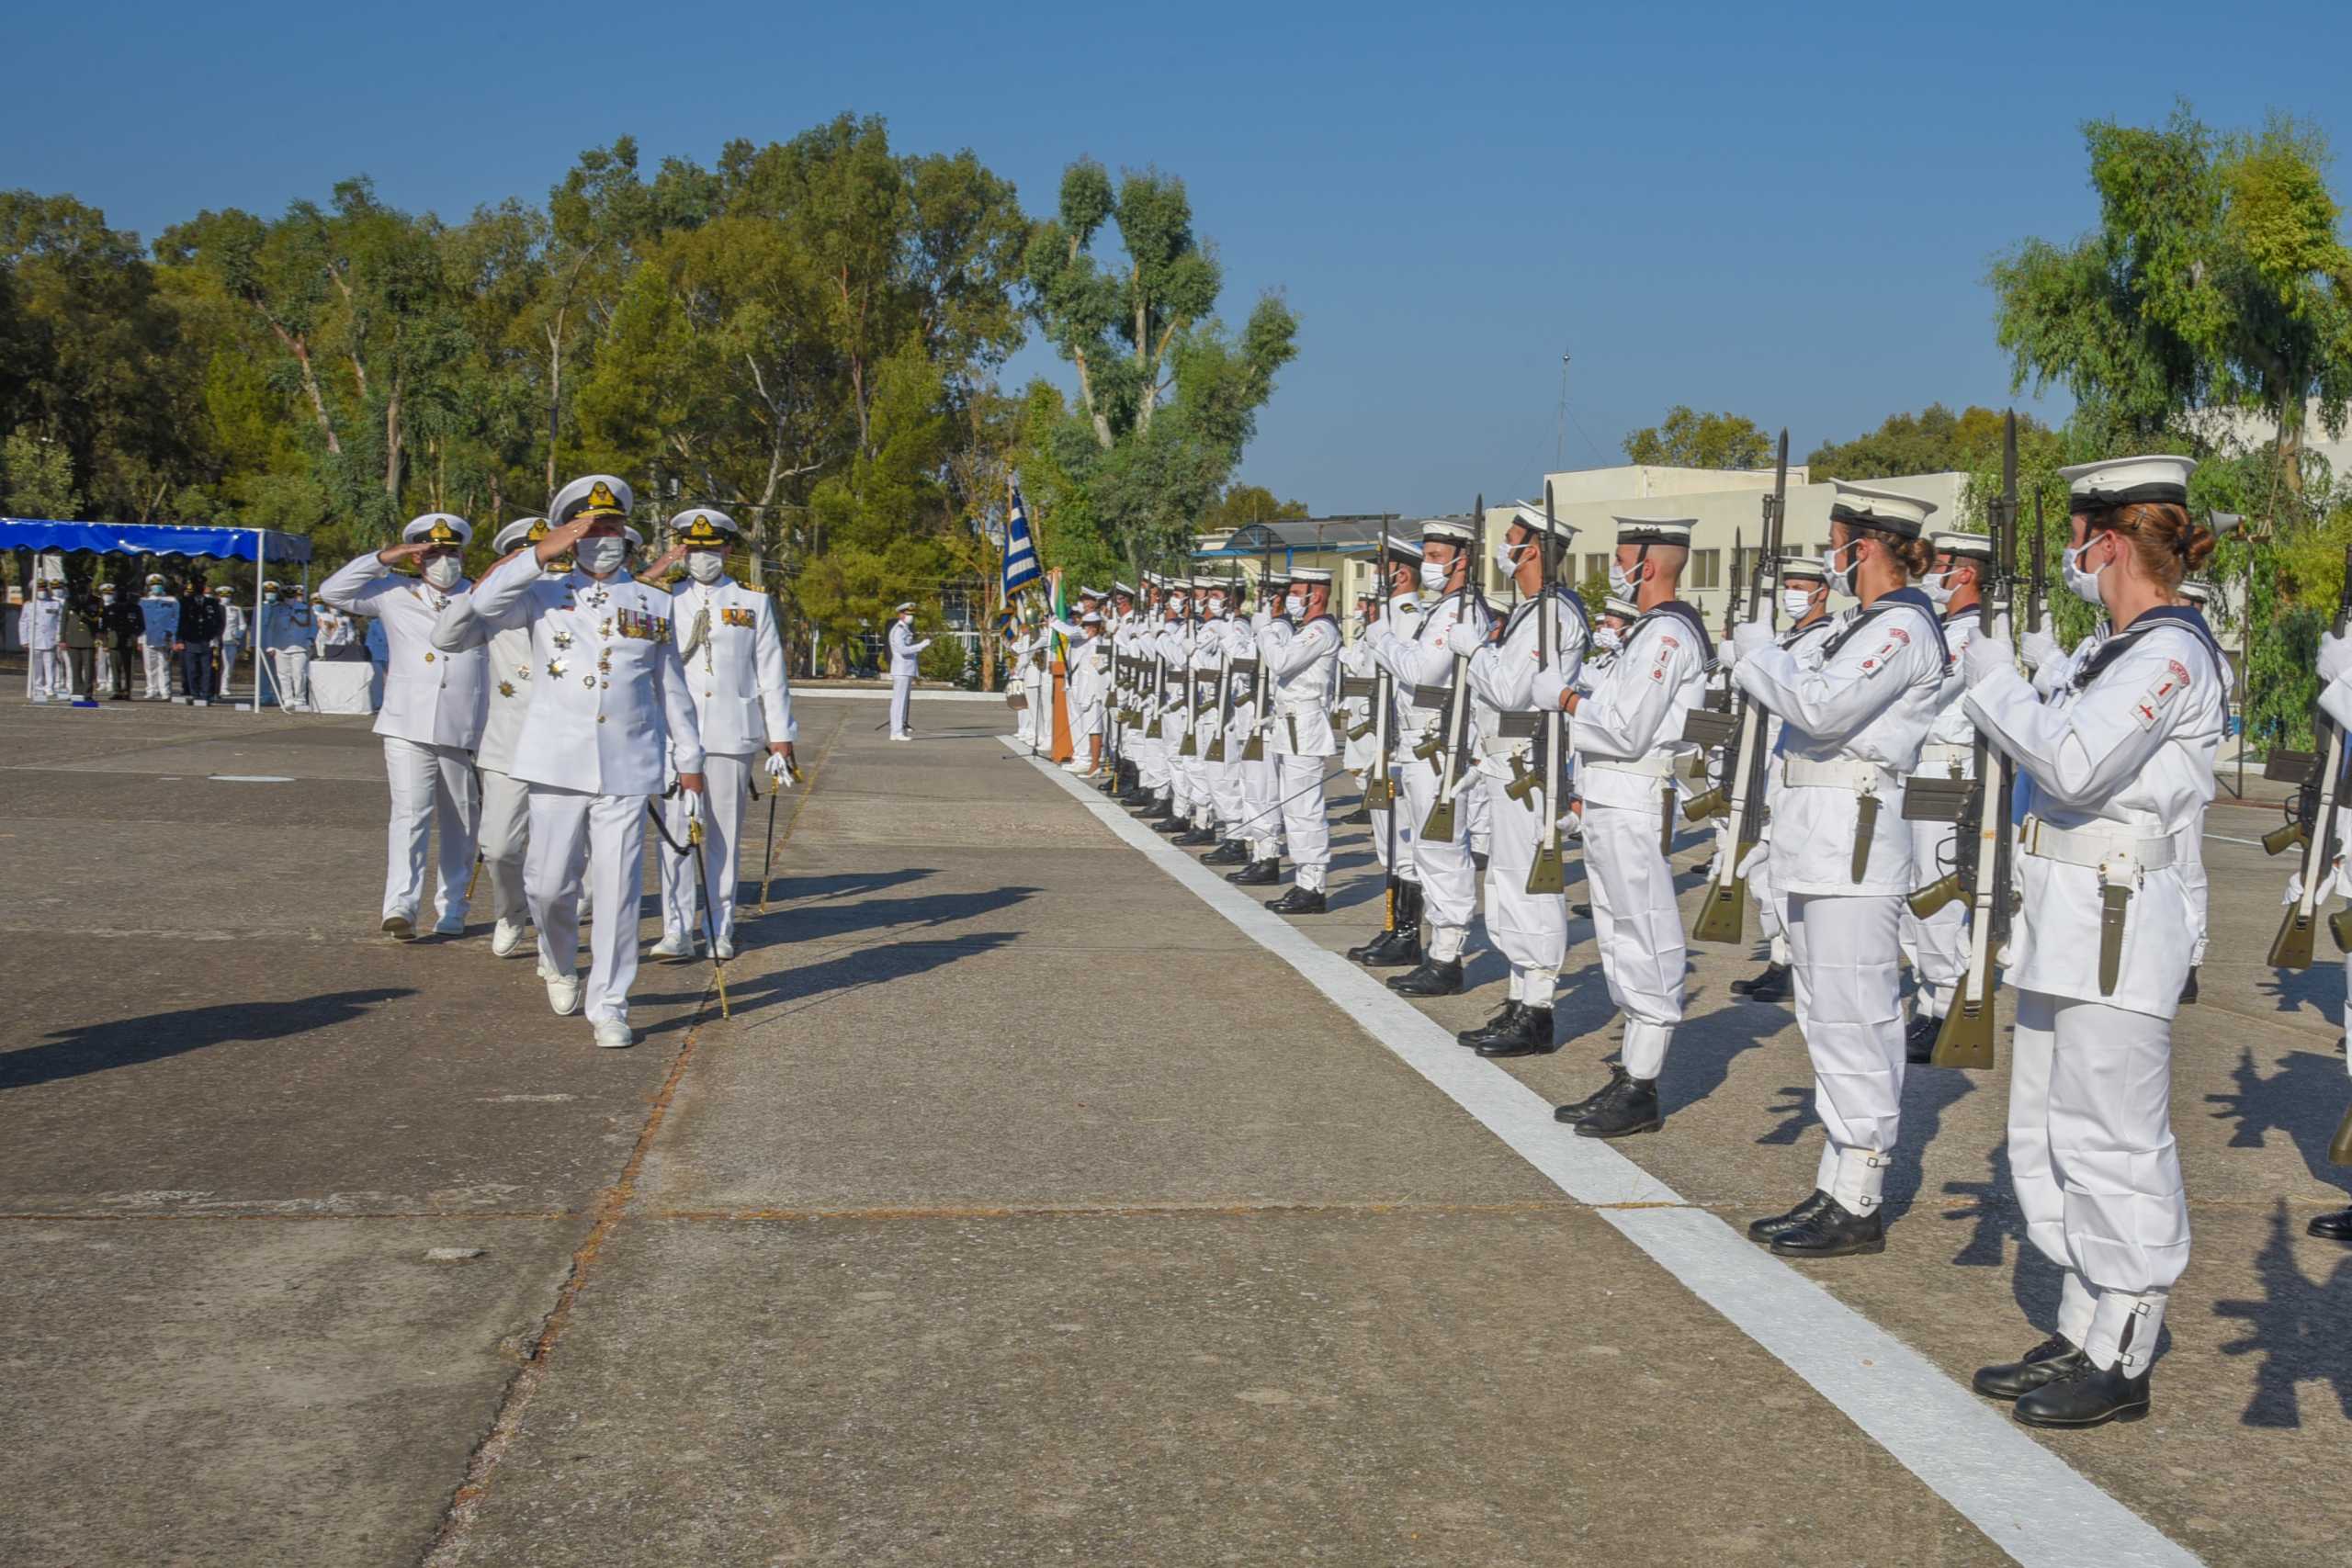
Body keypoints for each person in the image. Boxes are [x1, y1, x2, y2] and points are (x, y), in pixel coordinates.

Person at [1960, 455, 2218, 1427]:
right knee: (2048, 1134)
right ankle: (2082, 1323)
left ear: (2105, 540)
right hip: (2065, 910)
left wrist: (1995, 684)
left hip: (2117, 912)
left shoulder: (2169, 653)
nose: (2069, 554)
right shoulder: (2113, 650)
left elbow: (2072, 762)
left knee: (2115, 1137)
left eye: (2076, 536)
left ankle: (2124, 1350)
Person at [1732, 480, 1949, 1258]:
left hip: (1854, 847)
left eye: (1837, 540)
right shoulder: (1862, 627)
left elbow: (1821, 710)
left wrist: (1758, 654)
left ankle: (1859, 1196)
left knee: (1857, 1018)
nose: (1829, 555)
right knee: (1824, 1017)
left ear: (1865, 545)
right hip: (1816, 841)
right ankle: (1836, 1181)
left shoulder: (1902, 629)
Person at [465, 475, 704, 1049]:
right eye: (592, 527)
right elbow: (477, 608)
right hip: (555, 763)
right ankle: (556, 954)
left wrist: (689, 758)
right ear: (571, 535)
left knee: (618, 889)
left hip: (627, 763)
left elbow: (671, 688)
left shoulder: (655, 602)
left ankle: (611, 1002)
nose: (605, 537)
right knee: (548, 887)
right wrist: (535, 555)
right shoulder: (541, 593)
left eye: (614, 525)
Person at [1540, 518, 1708, 1127]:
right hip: (1609, 794)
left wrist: (1563, 699)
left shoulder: (1667, 636)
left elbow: (1626, 728)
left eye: (1620, 557)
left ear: (1648, 562)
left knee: (1644, 932)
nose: (1613, 568)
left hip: (1635, 795)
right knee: (1616, 932)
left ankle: (1643, 1084)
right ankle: (1631, 1073)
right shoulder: (1643, 634)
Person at [1454, 503, 1589, 1057]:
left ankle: (1536, 1010)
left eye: (1511, 540)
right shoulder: (1531, 610)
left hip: (1530, 768)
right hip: (1505, 764)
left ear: (1533, 548)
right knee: (1507, 885)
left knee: (1532, 888)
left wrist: (1477, 651)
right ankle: (1518, 997)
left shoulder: (1554, 614)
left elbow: (1512, 691)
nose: (1504, 549)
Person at [322, 514, 489, 941]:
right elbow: (332, 591)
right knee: (410, 815)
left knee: (462, 822)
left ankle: (453, 907)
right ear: (417, 558)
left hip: (464, 723)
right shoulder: (392, 591)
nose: (444, 560)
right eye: (434, 553)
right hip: (406, 722)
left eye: (452, 552)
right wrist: (384, 557)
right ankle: (401, 906)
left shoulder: (481, 594)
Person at [643, 508, 797, 962]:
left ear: (728, 549)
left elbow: (770, 671)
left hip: (732, 732)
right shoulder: (663, 597)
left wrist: (780, 735)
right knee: (675, 835)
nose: (702, 557)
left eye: (711, 549)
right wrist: (657, 570)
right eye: (693, 549)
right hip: (674, 736)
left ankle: (719, 925)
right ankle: (676, 927)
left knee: (723, 835)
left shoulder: (753, 601)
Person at [1369, 519, 1491, 995]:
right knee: (1427, 850)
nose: (1429, 564)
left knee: (1443, 853)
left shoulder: (1461, 611)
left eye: (1438, 556)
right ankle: (1437, 948)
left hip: (1440, 749)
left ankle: (1447, 956)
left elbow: (1423, 671)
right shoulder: (1441, 609)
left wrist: (1383, 641)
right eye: (1427, 555)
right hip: (1421, 746)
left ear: (1462, 559)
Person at [433, 517, 552, 958]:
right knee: (499, 847)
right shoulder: (496, 611)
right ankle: (511, 910)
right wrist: (481, 585)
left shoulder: (573, 605)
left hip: (567, 749)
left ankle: (554, 934)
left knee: (565, 855)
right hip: (509, 745)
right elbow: (444, 637)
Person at [1731, 556, 1845, 1003]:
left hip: (1791, 759)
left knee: (1783, 866)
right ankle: (1779, 955)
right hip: (1765, 757)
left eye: (1801, 585)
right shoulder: (1783, 637)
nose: (1792, 593)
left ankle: (1795, 961)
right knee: (1762, 870)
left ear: (1823, 591)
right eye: (1788, 585)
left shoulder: (1826, 639)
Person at [1900, 531, 1992, 1063]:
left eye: (1941, 565)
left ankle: (1944, 1006)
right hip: (1924, 767)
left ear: (1966, 573)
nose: (1930, 572)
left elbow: (1929, 690)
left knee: (1936, 894)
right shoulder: (1945, 627)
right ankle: (1929, 1000)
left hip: (1948, 769)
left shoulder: (1974, 632)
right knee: (1915, 894)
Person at [1344, 537, 1429, 966]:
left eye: (1382, 567)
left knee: (1406, 844)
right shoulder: (1385, 618)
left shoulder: (1411, 619)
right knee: (1389, 844)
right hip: (1377, 745)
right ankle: (1394, 925)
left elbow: (1411, 677)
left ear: (1402, 572)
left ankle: (1409, 934)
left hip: (1399, 747)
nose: (1375, 575)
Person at [1257, 568, 1343, 913]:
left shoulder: (1320, 631)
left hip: (1305, 725)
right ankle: (1303, 880)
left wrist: (1269, 626)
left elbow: (1279, 662)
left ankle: (1313, 886)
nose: (1290, 598)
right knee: (1293, 809)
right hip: (1290, 724)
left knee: (1305, 808)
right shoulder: (1304, 630)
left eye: (1296, 591)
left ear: (1316, 595)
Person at [174, 575, 224, 706]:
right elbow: (181, 622)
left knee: (207, 669)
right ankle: (194, 694)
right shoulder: (185, 602)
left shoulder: (212, 603)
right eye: (197, 585)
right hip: (191, 639)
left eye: (201, 585)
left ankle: (205, 694)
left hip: (207, 640)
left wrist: (216, 636)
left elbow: (219, 622)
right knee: (192, 670)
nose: (199, 587)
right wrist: (179, 640)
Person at [267, 582, 315, 712]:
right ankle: (287, 698)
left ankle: (300, 698)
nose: (289, 598)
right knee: (283, 674)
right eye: (287, 596)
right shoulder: (276, 609)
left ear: (295, 595)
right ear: (283, 596)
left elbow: (313, 625)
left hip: (300, 645)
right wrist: (270, 646)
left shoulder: (305, 608)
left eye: (292, 595)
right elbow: (270, 628)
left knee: (299, 674)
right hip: (280, 646)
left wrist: (310, 639)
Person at [888, 602, 929, 740]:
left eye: (912, 614)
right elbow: (903, 650)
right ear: (901, 614)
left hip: (905, 669)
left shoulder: (905, 629)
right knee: (899, 702)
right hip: (902, 669)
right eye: (907, 614)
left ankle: (897, 731)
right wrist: (921, 646)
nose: (910, 617)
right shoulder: (899, 630)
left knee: (901, 702)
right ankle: (897, 732)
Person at [60, 580, 102, 706]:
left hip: (89, 639)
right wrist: (62, 639)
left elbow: (100, 620)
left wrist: (100, 636)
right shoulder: (70, 600)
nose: (83, 587)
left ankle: (88, 694)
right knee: (75, 668)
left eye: (86, 585)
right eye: (80, 585)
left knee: (89, 669)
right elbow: (64, 621)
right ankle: (77, 693)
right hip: (73, 639)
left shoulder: (97, 601)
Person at [99, 579, 143, 699]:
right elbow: (103, 626)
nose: (121, 594)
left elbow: (141, 626)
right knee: (115, 668)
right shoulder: (109, 609)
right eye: (118, 592)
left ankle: (127, 691)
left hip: (129, 641)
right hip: (114, 641)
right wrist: (104, 641)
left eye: (123, 592)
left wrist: (135, 635)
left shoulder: (135, 608)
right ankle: (117, 691)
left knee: (128, 668)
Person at [22, 578, 63, 704]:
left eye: (43, 589)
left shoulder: (55, 604)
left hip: (50, 639)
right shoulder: (29, 605)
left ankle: (50, 687)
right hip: (35, 639)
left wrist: (59, 636)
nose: (42, 591)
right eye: (39, 589)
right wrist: (24, 639)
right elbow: (23, 623)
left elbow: (60, 621)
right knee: (36, 665)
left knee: (50, 664)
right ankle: (38, 687)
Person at [138, 574, 178, 700]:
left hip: (165, 637)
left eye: (159, 584)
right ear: (149, 587)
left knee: (164, 665)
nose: (156, 587)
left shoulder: (172, 601)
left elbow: (175, 618)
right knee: (150, 666)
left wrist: (171, 633)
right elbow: (140, 622)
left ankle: (165, 690)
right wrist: (139, 640)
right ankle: (151, 689)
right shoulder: (143, 601)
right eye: (154, 585)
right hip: (148, 637)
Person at [218, 584, 250, 703]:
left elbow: (242, 624)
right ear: (219, 596)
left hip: (231, 641)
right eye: (223, 596)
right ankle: (214, 687)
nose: (225, 598)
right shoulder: (214, 607)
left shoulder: (236, 609)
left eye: (228, 596)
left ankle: (224, 687)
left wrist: (238, 636)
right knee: (215, 666)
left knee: (228, 666)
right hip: (217, 641)